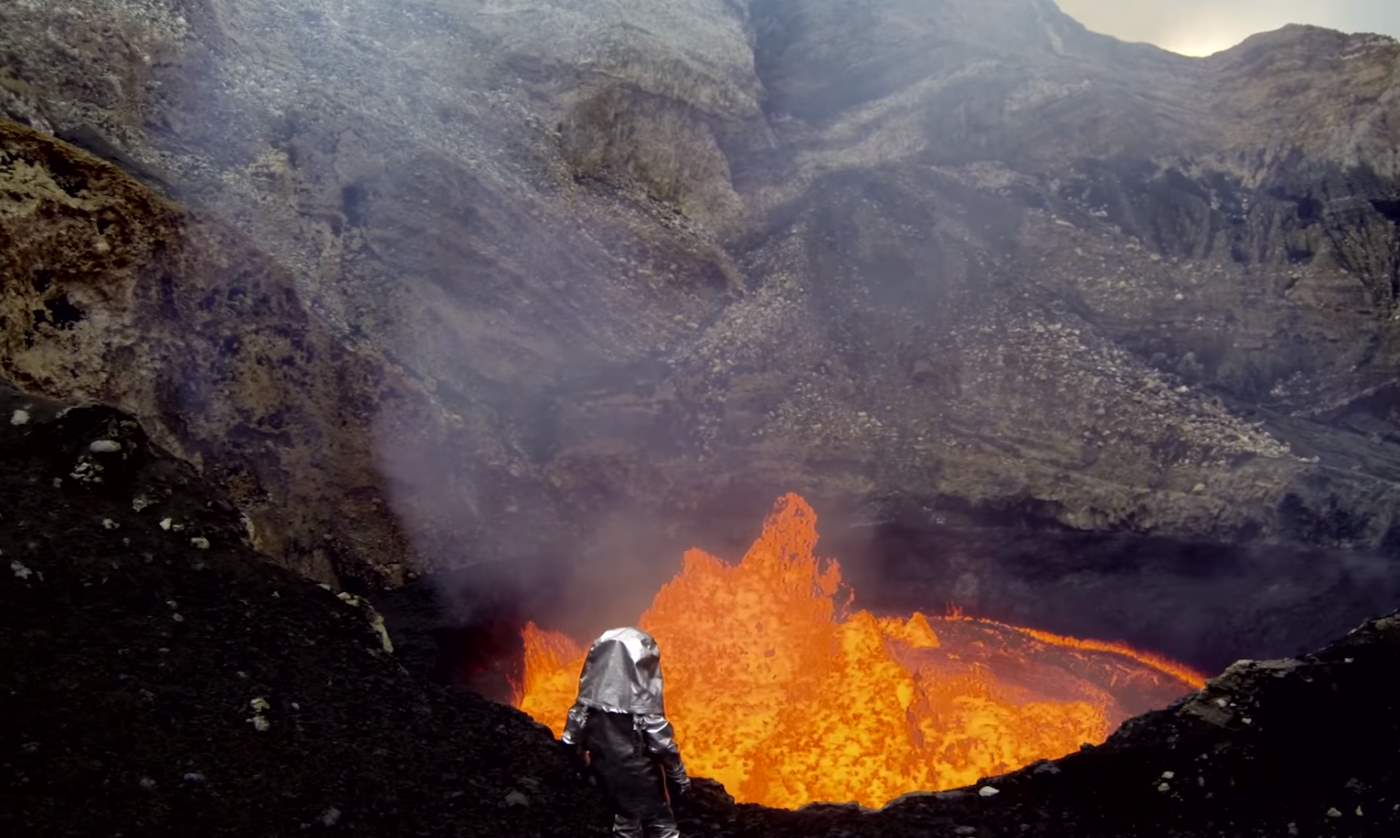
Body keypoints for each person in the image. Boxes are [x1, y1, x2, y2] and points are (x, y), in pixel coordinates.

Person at [561, 627, 691, 838]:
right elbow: (664, 747)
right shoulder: (645, 715)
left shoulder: (586, 708)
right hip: (643, 781)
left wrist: (580, 766)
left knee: (625, 821)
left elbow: (570, 739)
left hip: (607, 775)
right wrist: (679, 779)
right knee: (661, 824)